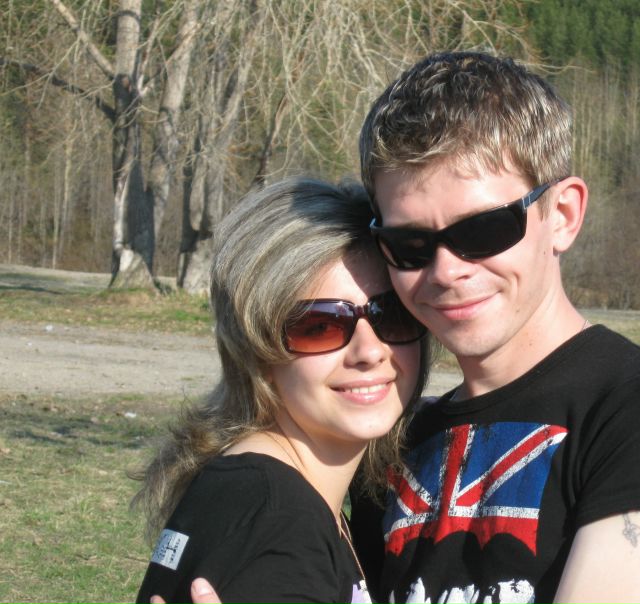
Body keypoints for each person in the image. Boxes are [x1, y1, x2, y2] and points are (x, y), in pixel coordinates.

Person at [157, 51, 640, 604]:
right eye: (409, 244)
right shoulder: (392, 445)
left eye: (482, 231)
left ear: (562, 215)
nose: (446, 271)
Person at [133, 177, 430, 604]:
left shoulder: (263, 492)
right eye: (320, 325)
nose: (369, 351)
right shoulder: (277, 521)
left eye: (393, 314)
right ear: (257, 349)